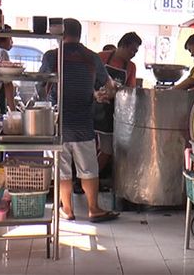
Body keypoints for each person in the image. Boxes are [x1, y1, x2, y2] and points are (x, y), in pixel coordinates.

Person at [39, 18, 119, 222]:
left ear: (62, 33)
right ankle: (93, 209)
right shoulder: (92, 57)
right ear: (80, 34)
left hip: (58, 125)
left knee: (62, 169)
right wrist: (96, 94)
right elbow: (106, 86)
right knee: (89, 168)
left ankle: (68, 210)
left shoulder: (52, 56)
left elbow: (41, 86)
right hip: (84, 123)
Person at [95, 32, 142, 188]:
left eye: (136, 52)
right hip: (93, 107)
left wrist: (118, 92)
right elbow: (88, 78)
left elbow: (130, 90)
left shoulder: (130, 67)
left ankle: (90, 180)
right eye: (132, 51)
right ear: (122, 45)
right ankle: (85, 181)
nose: (133, 55)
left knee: (107, 150)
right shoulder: (101, 57)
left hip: (111, 112)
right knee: (89, 149)